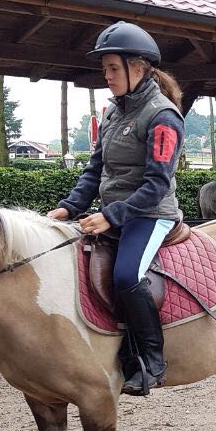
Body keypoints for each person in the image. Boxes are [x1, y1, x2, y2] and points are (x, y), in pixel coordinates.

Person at [47, 21, 184, 397]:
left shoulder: (163, 116)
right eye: (104, 68)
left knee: (126, 275)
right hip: (116, 212)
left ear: (137, 68)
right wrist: (69, 207)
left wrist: (111, 216)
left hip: (151, 214)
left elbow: (156, 185)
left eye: (112, 68)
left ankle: (152, 361)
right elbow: (95, 170)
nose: (106, 76)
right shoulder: (112, 113)